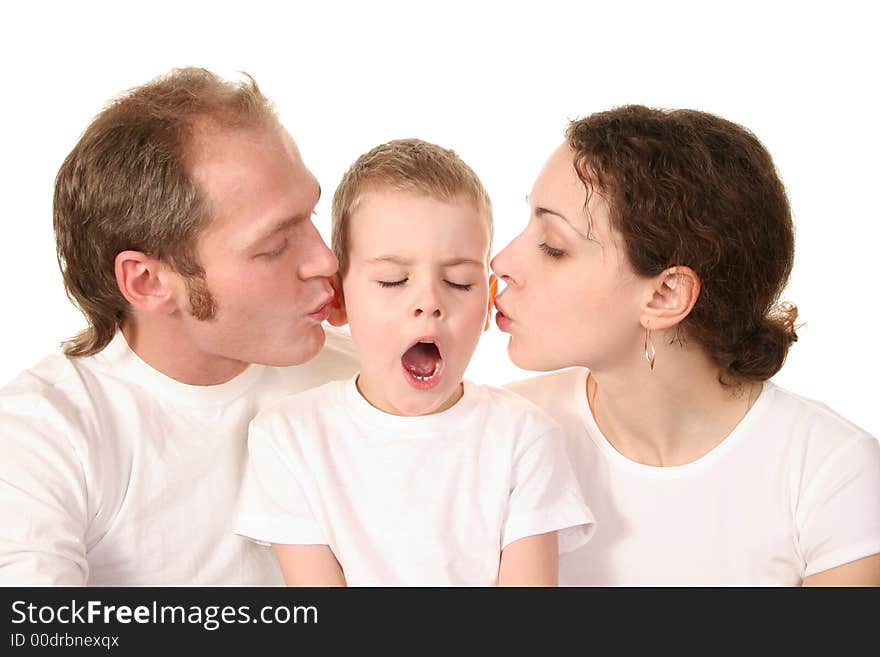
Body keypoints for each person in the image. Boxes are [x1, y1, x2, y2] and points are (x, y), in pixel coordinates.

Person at [492, 105, 880, 586]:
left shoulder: (829, 471)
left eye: (552, 245)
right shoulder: (502, 434)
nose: (500, 260)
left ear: (665, 294)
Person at [0, 68, 359, 585]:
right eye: (274, 246)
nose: (325, 260)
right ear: (147, 281)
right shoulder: (45, 436)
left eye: (311, 215)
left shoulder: (366, 381)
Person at [233, 139, 594, 586]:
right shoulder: (290, 437)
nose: (428, 302)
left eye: (459, 283)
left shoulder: (524, 437)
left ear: (488, 305)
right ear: (339, 298)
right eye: (393, 280)